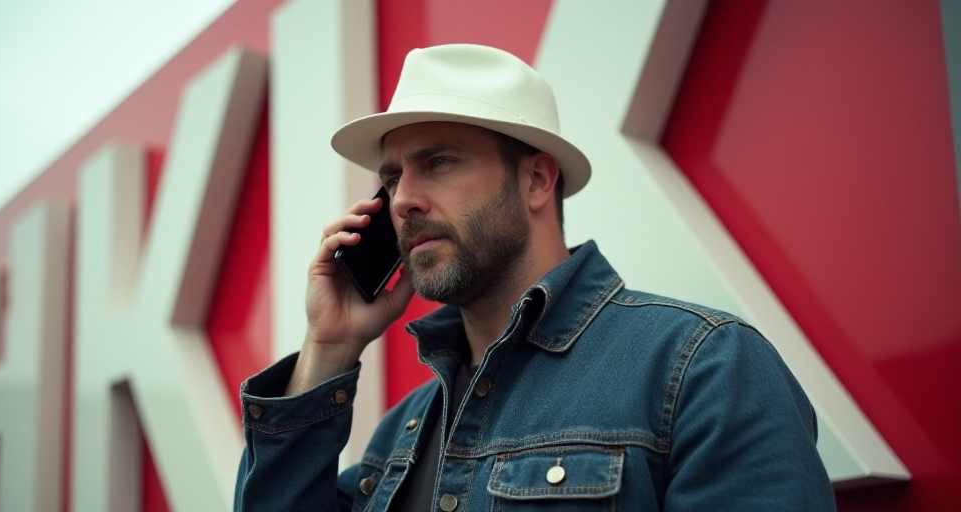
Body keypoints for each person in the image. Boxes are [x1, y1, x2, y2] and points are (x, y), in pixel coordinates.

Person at [233, 44, 835, 511]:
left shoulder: (704, 368)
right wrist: (328, 350)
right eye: (391, 179)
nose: (402, 201)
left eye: (439, 162)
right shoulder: (399, 435)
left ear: (538, 181)